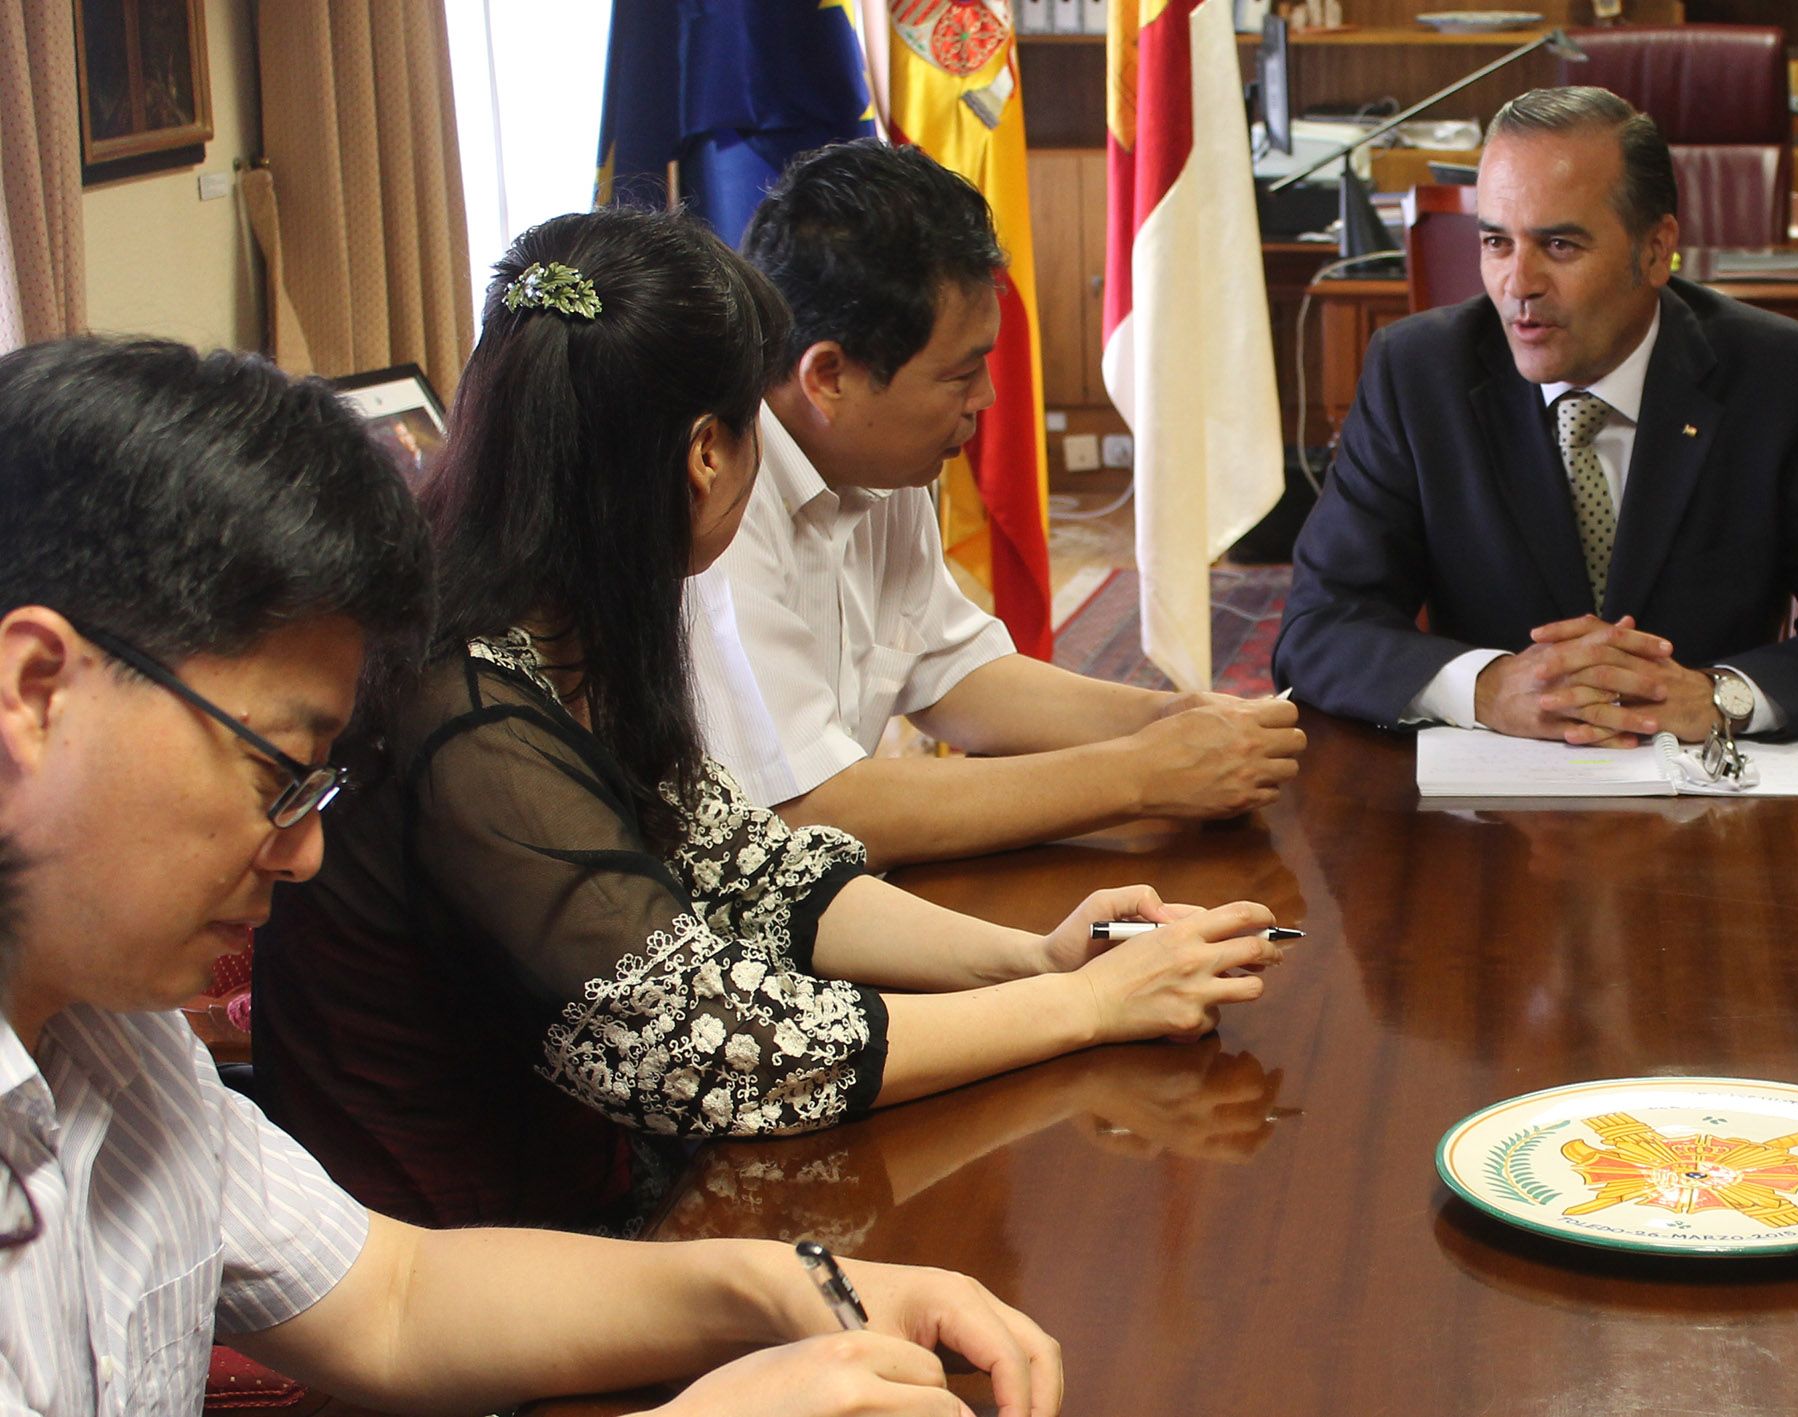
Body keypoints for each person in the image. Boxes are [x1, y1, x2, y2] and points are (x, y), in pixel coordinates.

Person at [0, 336, 1060, 1416]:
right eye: (278, 772)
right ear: (38, 691)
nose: (306, 849)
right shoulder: (465, 707)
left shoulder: (113, 1035)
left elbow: (394, 1297)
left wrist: (789, 1284)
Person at [256, 207, 1290, 1231]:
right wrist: (1084, 1010)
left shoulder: (561, 623)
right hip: (475, 1275)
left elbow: (754, 871)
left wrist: (1040, 957)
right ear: (707, 453)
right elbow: (723, 1049)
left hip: (588, 1198)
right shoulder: (467, 710)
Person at [687, 141, 1303, 869]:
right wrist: (1139, 774)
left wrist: (1163, 719)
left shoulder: (876, 455)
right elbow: (805, 812)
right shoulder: (713, 504)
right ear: (827, 375)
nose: (986, 398)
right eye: (960, 373)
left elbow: (949, 670)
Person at [1272, 86, 1798, 747]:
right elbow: (1319, 627)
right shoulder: (1416, 373)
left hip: (1709, 801)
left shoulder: (1786, 379)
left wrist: (1716, 696)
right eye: (1495, 242)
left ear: (1654, 251)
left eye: (1559, 245)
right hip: (1487, 807)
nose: (1517, 283)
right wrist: (1485, 688)